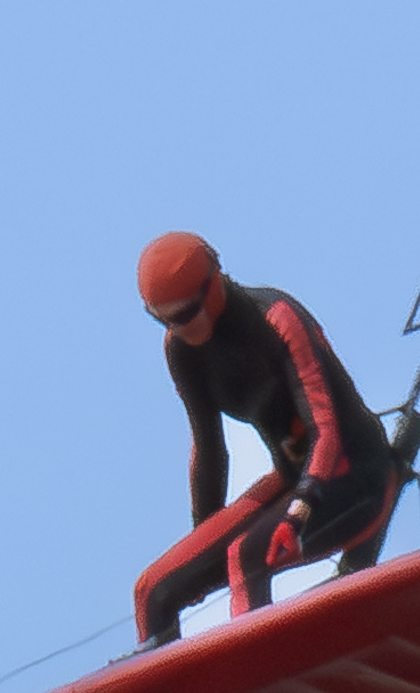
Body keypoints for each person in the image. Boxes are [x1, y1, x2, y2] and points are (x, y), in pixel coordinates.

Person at [126, 233, 397, 643]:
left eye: (183, 315)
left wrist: (300, 510)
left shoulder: (276, 317)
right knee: (155, 589)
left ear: (214, 282)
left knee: (245, 556)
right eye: (162, 320)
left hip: (355, 478)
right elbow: (209, 450)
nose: (176, 329)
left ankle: (252, 674)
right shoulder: (180, 350)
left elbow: (325, 429)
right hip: (291, 480)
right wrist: (203, 539)